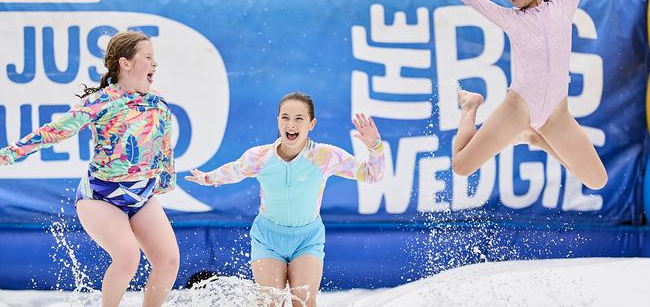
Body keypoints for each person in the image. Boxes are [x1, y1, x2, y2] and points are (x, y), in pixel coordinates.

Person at [0, 31, 179, 307]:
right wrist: (10, 154)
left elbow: (164, 147)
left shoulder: (158, 103)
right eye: (148, 58)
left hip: (141, 196)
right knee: (128, 257)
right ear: (125, 63)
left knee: (168, 261)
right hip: (101, 197)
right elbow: (55, 132)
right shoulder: (100, 102)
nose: (155, 65)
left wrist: (165, 181)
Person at [434, 0, 612, 190]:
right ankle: (470, 105)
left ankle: (536, 137)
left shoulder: (564, 4)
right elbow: (474, 0)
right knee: (461, 166)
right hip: (518, 109)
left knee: (596, 180)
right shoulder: (511, 20)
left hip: (556, 115)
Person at [185, 92, 385, 307]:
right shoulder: (260, 157)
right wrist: (206, 178)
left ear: (311, 124)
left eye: (299, 118)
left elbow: (372, 174)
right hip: (268, 239)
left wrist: (375, 147)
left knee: (304, 302)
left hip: (307, 239)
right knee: (270, 302)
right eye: (285, 117)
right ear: (278, 120)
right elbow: (233, 170)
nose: (291, 124)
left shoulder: (324, 156)